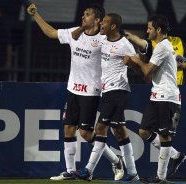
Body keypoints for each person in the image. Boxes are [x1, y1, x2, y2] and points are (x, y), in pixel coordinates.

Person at [26, 3, 124, 181]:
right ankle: (70, 171)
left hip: (91, 92)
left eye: (87, 15)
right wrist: (35, 15)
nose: (83, 17)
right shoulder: (74, 34)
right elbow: (51, 33)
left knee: (86, 134)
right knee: (69, 129)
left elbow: (120, 48)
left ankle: (116, 160)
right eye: (83, 14)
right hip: (73, 89)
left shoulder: (104, 39)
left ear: (97, 20)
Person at [74, 13, 139, 182]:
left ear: (113, 27)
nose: (101, 24)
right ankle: (132, 173)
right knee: (119, 131)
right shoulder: (102, 39)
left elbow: (140, 67)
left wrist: (131, 63)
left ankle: (88, 170)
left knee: (100, 128)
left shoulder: (125, 45)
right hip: (107, 91)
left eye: (105, 23)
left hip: (118, 90)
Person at [123, 15, 182, 183]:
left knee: (164, 136)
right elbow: (147, 77)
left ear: (159, 30)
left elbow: (147, 70)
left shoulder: (163, 47)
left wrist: (135, 61)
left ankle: (161, 177)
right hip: (157, 95)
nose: (147, 30)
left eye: (149, 28)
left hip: (167, 96)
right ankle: (175, 155)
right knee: (143, 131)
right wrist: (136, 63)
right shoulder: (159, 47)